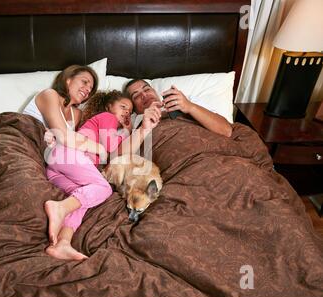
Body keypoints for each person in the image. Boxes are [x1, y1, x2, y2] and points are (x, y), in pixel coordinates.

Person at [43, 90, 134, 260]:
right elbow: (112, 147)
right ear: (108, 107)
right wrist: (128, 132)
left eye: (129, 111)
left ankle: (62, 243)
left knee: (83, 200)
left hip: (57, 168)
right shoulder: (107, 117)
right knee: (103, 188)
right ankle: (59, 208)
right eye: (123, 107)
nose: (126, 113)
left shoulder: (113, 130)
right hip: (68, 153)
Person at [123, 79, 233, 137]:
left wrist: (190, 107)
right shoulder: (135, 122)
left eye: (146, 89)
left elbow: (226, 130)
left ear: (154, 90)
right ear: (133, 108)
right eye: (136, 96)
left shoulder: (187, 101)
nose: (144, 95)